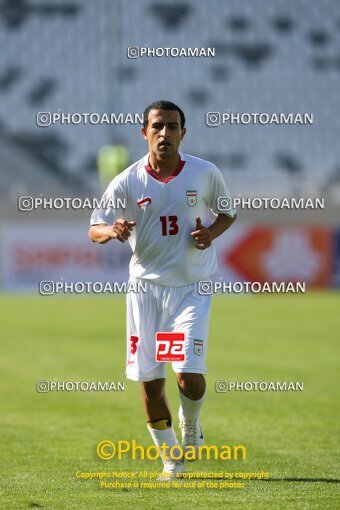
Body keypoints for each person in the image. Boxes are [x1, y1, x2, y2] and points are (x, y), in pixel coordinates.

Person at [88, 100, 236, 479]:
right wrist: (113, 231)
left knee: (187, 375)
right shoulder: (127, 181)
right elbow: (95, 228)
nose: (164, 133)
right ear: (144, 133)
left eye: (172, 127)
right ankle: (173, 462)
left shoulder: (204, 173)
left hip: (190, 289)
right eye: (157, 127)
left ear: (183, 133)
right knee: (151, 384)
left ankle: (191, 422)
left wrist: (210, 234)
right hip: (146, 294)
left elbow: (227, 211)